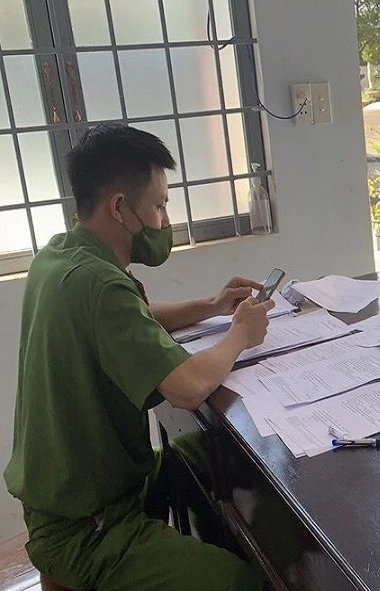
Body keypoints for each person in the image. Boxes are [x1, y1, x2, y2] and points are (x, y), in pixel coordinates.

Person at [4, 124, 272, 589]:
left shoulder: (61, 255)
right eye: (159, 205)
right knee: (239, 582)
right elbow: (187, 388)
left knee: (203, 456)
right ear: (119, 208)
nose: (165, 221)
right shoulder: (101, 285)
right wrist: (240, 335)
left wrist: (211, 306)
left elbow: (137, 314)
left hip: (77, 493)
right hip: (87, 526)